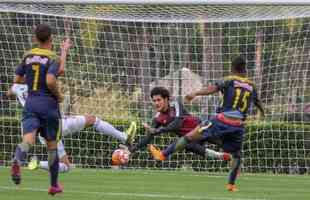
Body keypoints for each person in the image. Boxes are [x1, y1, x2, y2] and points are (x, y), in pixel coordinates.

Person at [149, 57, 265, 192]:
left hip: (222, 120)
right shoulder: (251, 86)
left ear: (232, 68)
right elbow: (258, 102)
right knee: (236, 154)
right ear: (245, 69)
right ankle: (231, 185)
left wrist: (195, 93)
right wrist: (262, 114)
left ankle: (163, 154)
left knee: (189, 137)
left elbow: (212, 89)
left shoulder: (229, 80)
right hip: (238, 125)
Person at [8, 79, 136, 173]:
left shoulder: (17, 87)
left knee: (66, 166)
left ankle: (37, 163)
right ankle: (124, 137)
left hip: (43, 132)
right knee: (93, 120)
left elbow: (9, 92)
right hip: (57, 124)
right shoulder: (42, 84)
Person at [10, 24, 67, 195]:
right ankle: (54, 184)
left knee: (28, 140)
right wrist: (58, 95)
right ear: (51, 39)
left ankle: (17, 160)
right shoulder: (53, 57)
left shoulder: (27, 56)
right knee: (51, 146)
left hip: (31, 103)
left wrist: (33, 80)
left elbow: (17, 79)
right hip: (48, 106)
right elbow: (51, 79)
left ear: (35, 38)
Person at [125, 86, 230, 161]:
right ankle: (221, 156)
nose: (156, 103)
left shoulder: (175, 105)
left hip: (202, 129)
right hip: (190, 138)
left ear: (166, 99)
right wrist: (132, 150)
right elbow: (148, 137)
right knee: (187, 144)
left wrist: (157, 131)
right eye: (154, 101)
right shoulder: (157, 118)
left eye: (159, 100)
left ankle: (236, 163)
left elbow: (177, 124)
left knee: (227, 144)